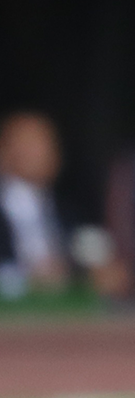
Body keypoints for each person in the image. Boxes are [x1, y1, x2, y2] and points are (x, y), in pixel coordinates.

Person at [0, 111, 66, 296]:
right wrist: (27, 277)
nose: (40, 152)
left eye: (46, 142)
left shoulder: (68, 211)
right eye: (29, 143)